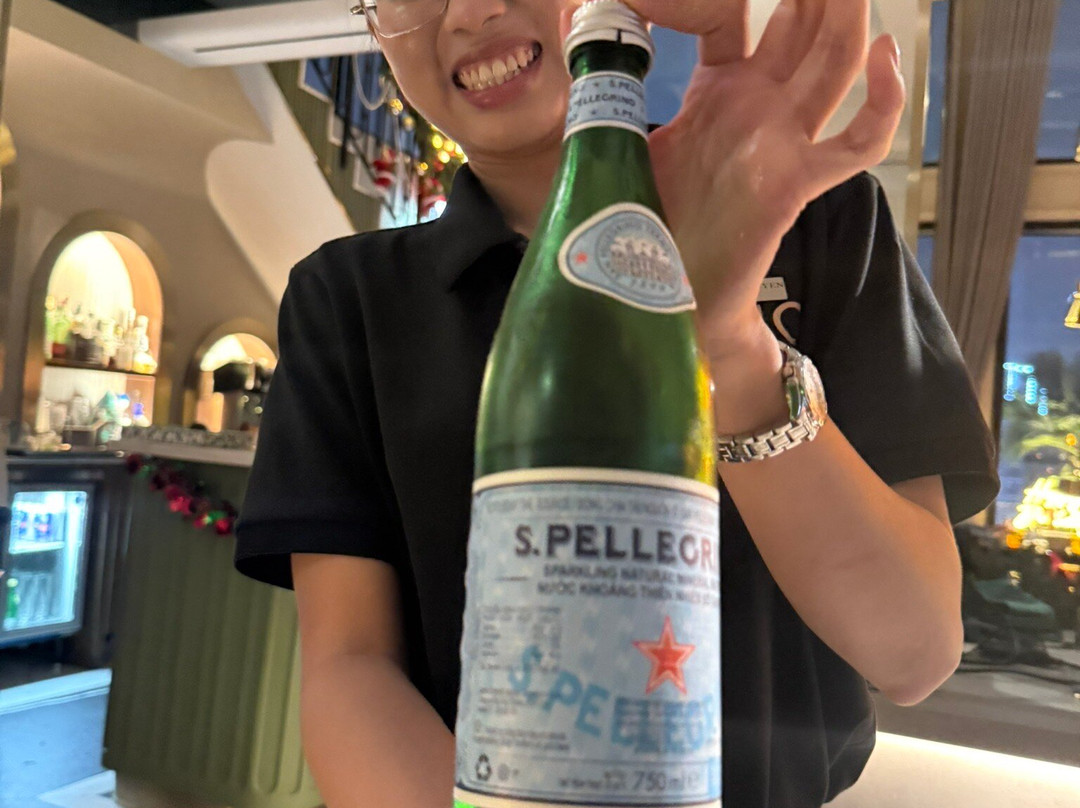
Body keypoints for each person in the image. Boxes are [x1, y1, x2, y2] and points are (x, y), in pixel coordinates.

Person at [235, 1, 999, 806]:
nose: (472, 10)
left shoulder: (816, 218)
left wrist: (728, 339)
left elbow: (914, 652)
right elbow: (351, 664)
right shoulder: (351, 299)